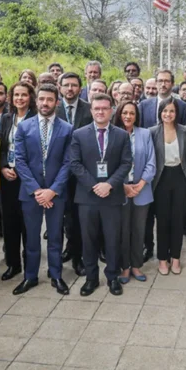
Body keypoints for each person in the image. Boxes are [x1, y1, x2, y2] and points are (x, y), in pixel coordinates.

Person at [12, 84, 73, 296]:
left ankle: (56, 275)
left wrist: (53, 190)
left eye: (49, 99)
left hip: (56, 193)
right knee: (31, 237)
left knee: (56, 236)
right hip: (31, 194)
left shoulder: (67, 128)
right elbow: (19, 160)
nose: (45, 103)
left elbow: (68, 163)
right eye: (41, 99)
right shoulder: (24, 127)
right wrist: (37, 191)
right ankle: (30, 276)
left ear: (57, 102)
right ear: (35, 101)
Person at [69, 93, 132, 296]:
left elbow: (126, 163)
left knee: (112, 239)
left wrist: (110, 184)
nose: (100, 112)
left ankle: (112, 277)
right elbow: (75, 164)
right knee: (89, 240)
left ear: (111, 110)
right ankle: (91, 278)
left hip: (112, 197)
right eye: (97, 108)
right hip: (87, 197)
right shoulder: (79, 134)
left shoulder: (121, 135)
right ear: (91, 110)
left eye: (105, 108)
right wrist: (94, 185)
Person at [0, 82, 37, 281]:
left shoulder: (37, 119)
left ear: (31, 97)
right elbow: (1, 146)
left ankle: (30, 264)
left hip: (28, 178)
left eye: (24, 95)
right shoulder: (6, 119)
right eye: (16, 95)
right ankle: (13, 264)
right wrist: (3, 166)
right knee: (10, 222)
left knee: (27, 223)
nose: (20, 98)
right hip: (8, 178)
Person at [55, 73, 93, 275]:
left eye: (74, 85)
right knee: (61, 217)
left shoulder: (89, 108)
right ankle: (66, 249)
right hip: (58, 172)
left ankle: (79, 257)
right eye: (66, 85)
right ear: (59, 87)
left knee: (78, 218)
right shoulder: (53, 108)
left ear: (80, 88)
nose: (70, 88)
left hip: (82, 173)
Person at [149, 98, 186, 275]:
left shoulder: (184, 131)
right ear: (160, 112)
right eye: (165, 111)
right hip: (161, 178)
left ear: (177, 113)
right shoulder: (152, 132)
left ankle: (175, 258)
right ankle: (162, 259)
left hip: (180, 177)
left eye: (172, 111)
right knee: (163, 220)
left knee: (177, 220)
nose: (168, 114)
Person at [114, 101, 154, 283]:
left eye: (132, 113)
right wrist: (123, 186)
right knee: (122, 230)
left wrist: (139, 185)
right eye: (125, 113)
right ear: (119, 114)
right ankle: (124, 267)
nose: (128, 116)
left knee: (139, 230)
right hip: (119, 190)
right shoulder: (113, 134)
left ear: (136, 115)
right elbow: (110, 164)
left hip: (141, 189)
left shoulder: (145, 134)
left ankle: (136, 265)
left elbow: (152, 162)